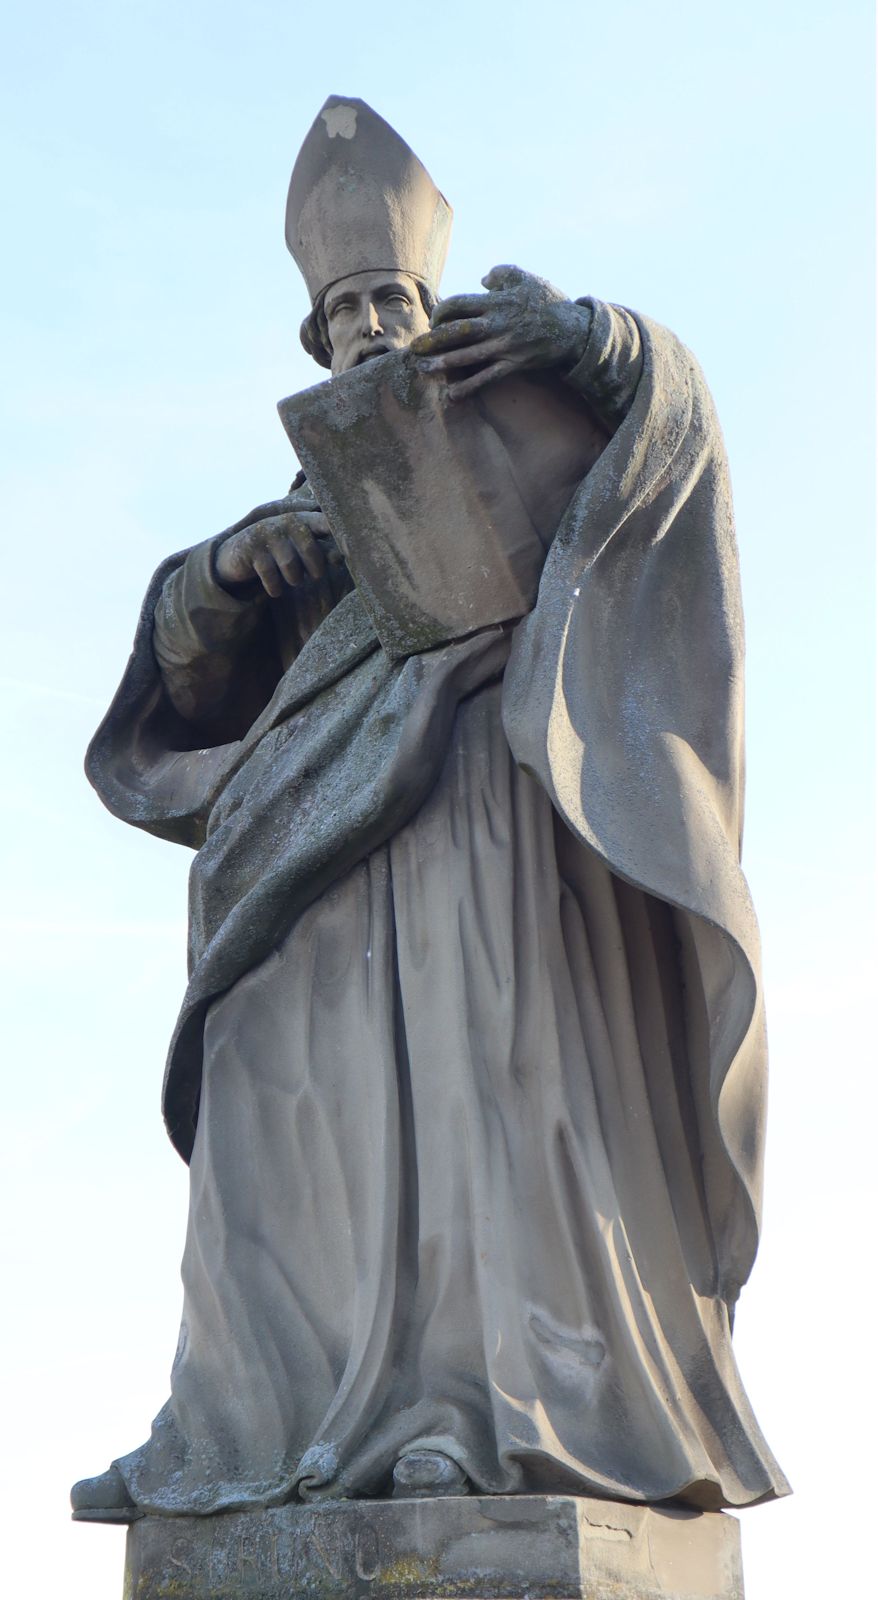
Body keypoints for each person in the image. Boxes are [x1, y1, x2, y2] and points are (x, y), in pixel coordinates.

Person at [72, 98, 787, 1522]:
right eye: (343, 308)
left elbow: (681, 449)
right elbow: (197, 693)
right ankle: (249, 1423)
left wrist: (596, 343)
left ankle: (479, 1414)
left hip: (487, 819)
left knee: (484, 1101)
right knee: (271, 1109)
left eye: (391, 292)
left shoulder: (534, 415)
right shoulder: (302, 500)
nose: (371, 322)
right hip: (310, 857)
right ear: (315, 338)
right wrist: (222, 575)